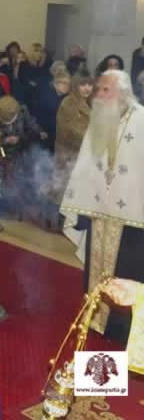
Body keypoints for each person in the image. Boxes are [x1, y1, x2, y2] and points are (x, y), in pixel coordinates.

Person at [61, 70, 144, 342]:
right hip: (99, 213)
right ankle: (94, 318)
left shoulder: (142, 122)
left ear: (123, 93)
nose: (98, 95)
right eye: (98, 89)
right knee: (96, 268)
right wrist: (81, 201)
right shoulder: (98, 122)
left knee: (127, 271)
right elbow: (86, 165)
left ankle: (121, 330)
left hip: (132, 219)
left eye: (105, 90)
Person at [54, 70, 94, 199]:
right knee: (69, 196)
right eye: (83, 85)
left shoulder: (91, 102)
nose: (87, 88)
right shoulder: (68, 103)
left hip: (87, 156)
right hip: (70, 156)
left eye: (90, 84)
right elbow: (70, 131)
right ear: (76, 86)